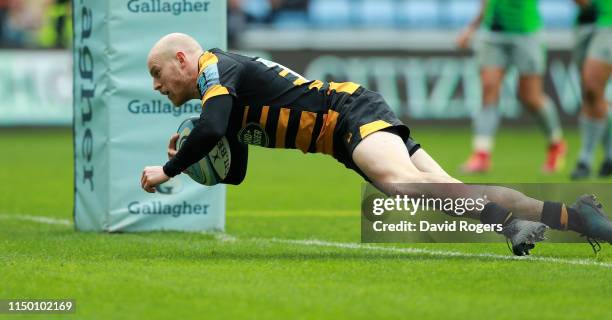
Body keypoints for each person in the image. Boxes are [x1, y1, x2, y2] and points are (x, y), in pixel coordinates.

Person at [140, 33, 612, 255]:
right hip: (344, 131)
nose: (158, 86)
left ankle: (507, 224)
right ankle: (576, 216)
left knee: (399, 185)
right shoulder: (218, 91)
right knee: (447, 189)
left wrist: (170, 170)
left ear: (182, 59)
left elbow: (208, 128)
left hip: (346, 115)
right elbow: (234, 169)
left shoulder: (215, 71)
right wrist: (201, 161)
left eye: (157, 74)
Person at [456, 0, 566, 173]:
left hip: (526, 32)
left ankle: (556, 143)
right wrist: (472, 27)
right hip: (493, 33)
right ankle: (481, 154)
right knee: (488, 90)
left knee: (530, 97)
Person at [571, 0, 612, 180]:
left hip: (608, 21)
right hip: (584, 23)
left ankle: (585, 160)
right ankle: (610, 154)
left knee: (592, 87)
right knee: (590, 95)